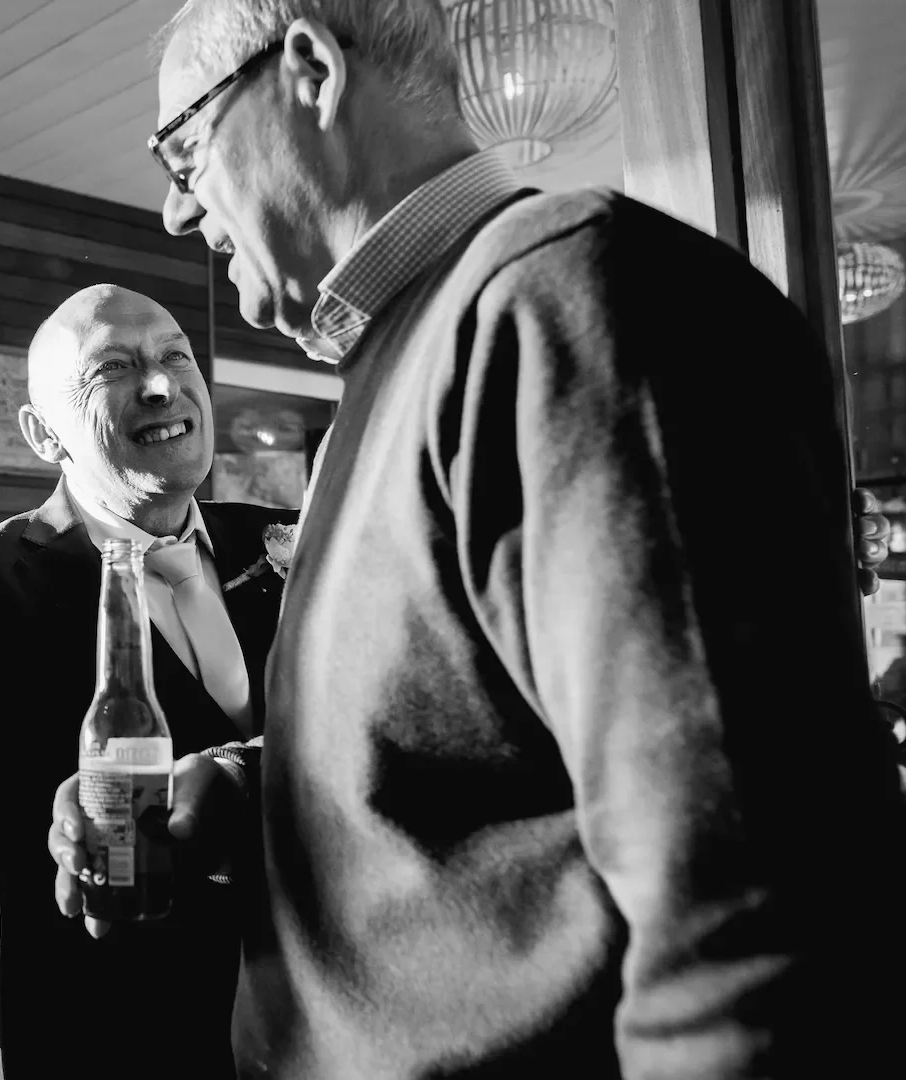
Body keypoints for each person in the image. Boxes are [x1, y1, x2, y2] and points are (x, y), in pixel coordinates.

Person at [48, 2, 906, 1076]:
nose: (179, 210)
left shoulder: (577, 303)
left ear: (309, 69)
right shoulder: (413, 353)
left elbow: (758, 904)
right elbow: (481, 739)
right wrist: (249, 789)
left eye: (185, 146)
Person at [0, 284, 296, 1079]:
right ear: (41, 432)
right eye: (114, 369)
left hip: (319, 1037)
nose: (163, 386)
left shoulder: (288, 545)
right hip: (105, 1046)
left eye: (176, 356)